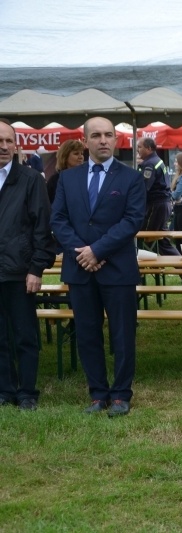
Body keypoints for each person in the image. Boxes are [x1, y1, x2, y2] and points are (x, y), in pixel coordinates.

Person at [50, 116, 146, 417]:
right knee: (87, 332)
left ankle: (120, 394)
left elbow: (132, 220)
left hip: (117, 268)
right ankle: (97, 393)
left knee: (122, 333)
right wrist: (83, 252)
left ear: (116, 140)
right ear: (85, 140)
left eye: (108, 135)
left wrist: (98, 250)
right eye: (96, 135)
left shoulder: (131, 178)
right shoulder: (68, 178)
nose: (103, 140)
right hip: (80, 269)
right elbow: (58, 220)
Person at [0, 120, 56, 411]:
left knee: (24, 335)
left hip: (21, 272)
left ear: (16, 145)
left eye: (9, 141)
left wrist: (36, 268)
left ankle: (27, 393)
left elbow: (41, 228)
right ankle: (5, 390)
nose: (4, 146)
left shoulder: (31, 179)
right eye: (0, 141)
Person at [137, 137, 180, 255]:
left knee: (142, 235)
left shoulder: (149, 164)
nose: (138, 150)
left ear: (149, 148)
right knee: (162, 241)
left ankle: (142, 268)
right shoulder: (157, 160)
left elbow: (144, 187)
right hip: (162, 205)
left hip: (155, 206)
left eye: (140, 147)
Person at [46, 139, 85, 204]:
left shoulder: (86, 177)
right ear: (65, 156)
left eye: (81, 153)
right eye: (76, 154)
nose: (81, 157)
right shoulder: (55, 180)